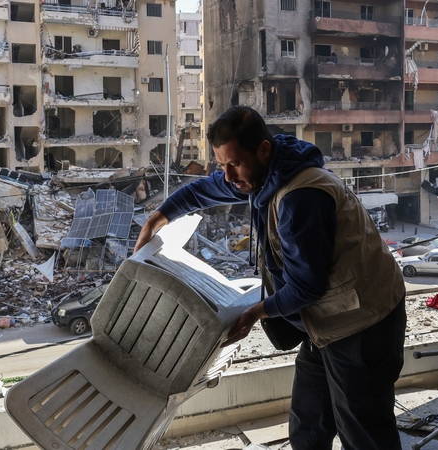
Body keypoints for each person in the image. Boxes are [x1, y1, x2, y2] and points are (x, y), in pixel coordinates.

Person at [134, 106, 406, 450]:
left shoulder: (298, 198)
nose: (229, 176)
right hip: (326, 322)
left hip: (363, 323)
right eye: (222, 165)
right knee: (309, 424)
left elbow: (307, 286)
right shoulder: (264, 175)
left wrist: (254, 312)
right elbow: (202, 191)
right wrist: (156, 219)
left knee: (364, 432)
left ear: (263, 150)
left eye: (234, 164)